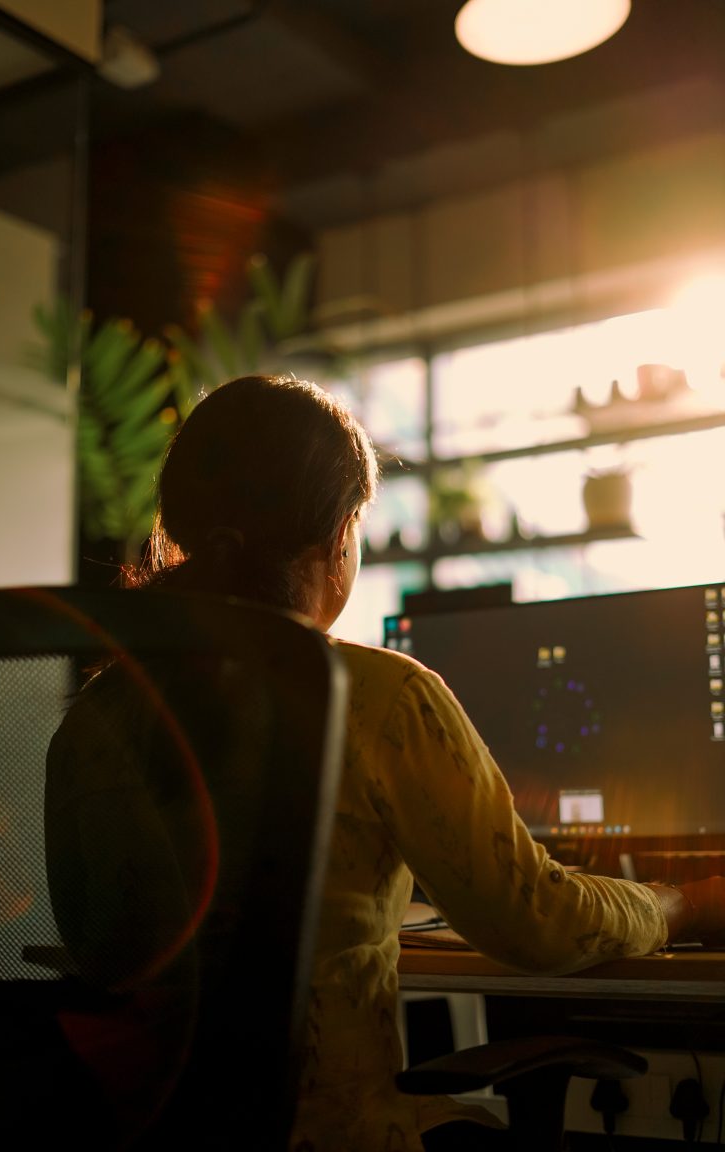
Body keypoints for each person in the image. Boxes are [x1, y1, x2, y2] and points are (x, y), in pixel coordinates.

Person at [46, 373, 725, 1152]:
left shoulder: (100, 716)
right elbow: (534, 921)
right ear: (338, 536)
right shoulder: (378, 697)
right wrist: (687, 905)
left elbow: (99, 942)